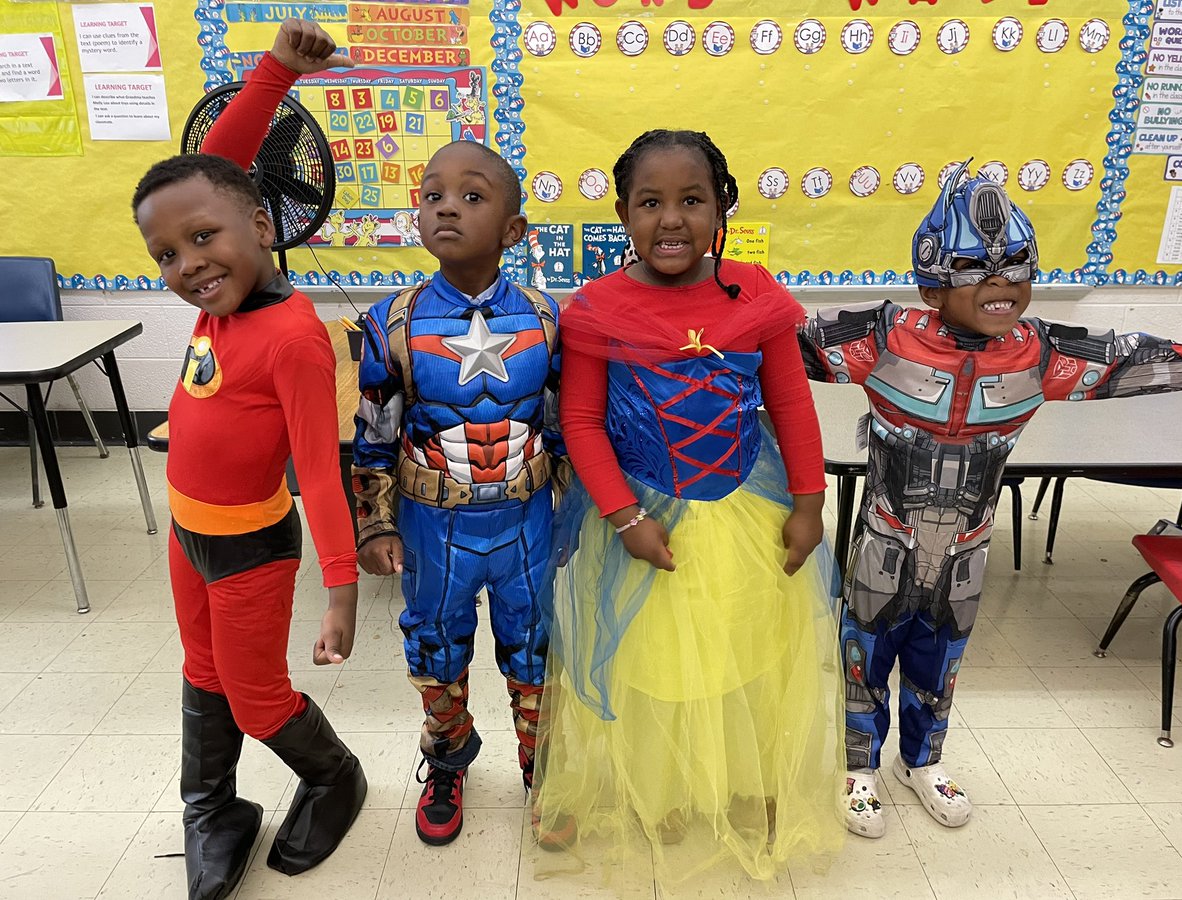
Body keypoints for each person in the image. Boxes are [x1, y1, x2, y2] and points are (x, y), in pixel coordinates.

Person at [799, 162, 1182, 839]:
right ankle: (856, 763)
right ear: (932, 280)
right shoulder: (879, 336)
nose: (1002, 284)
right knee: (865, 650)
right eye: (977, 269)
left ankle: (922, 760)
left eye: (1016, 266)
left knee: (944, 654)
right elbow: (766, 343)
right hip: (884, 539)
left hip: (969, 549)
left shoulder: (1041, 353)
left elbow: (1146, 359)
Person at [532, 129, 844, 883]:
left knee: (748, 652)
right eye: (651, 203)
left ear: (721, 206)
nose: (671, 219)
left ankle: (749, 781)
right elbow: (580, 422)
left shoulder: (756, 291)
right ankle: (662, 787)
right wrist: (625, 518)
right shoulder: (598, 307)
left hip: (745, 509)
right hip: (640, 517)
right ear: (623, 213)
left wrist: (809, 503)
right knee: (654, 662)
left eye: (691, 200)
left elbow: (793, 405)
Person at [131, 21, 366, 900]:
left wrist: (340, 595)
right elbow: (213, 182)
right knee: (202, 671)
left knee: (259, 695)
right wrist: (273, 75)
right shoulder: (219, 303)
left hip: (251, 554)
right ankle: (214, 809)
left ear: (263, 225)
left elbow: (317, 468)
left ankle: (334, 775)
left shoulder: (291, 339)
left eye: (203, 242)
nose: (188, 264)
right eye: (167, 254)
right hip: (188, 536)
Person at [350, 119, 563, 844]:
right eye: (432, 193)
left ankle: (544, 767)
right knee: (435, 644)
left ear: (512, 229)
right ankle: (447, 755)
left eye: (470, 196)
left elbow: (565, 421)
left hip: (527, 517)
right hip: (433, 522)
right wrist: (375, 522)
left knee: (533, 642)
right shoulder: (394, 321)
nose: (445, 206)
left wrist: (576, 512)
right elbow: (374, 428)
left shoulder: (545, 317)